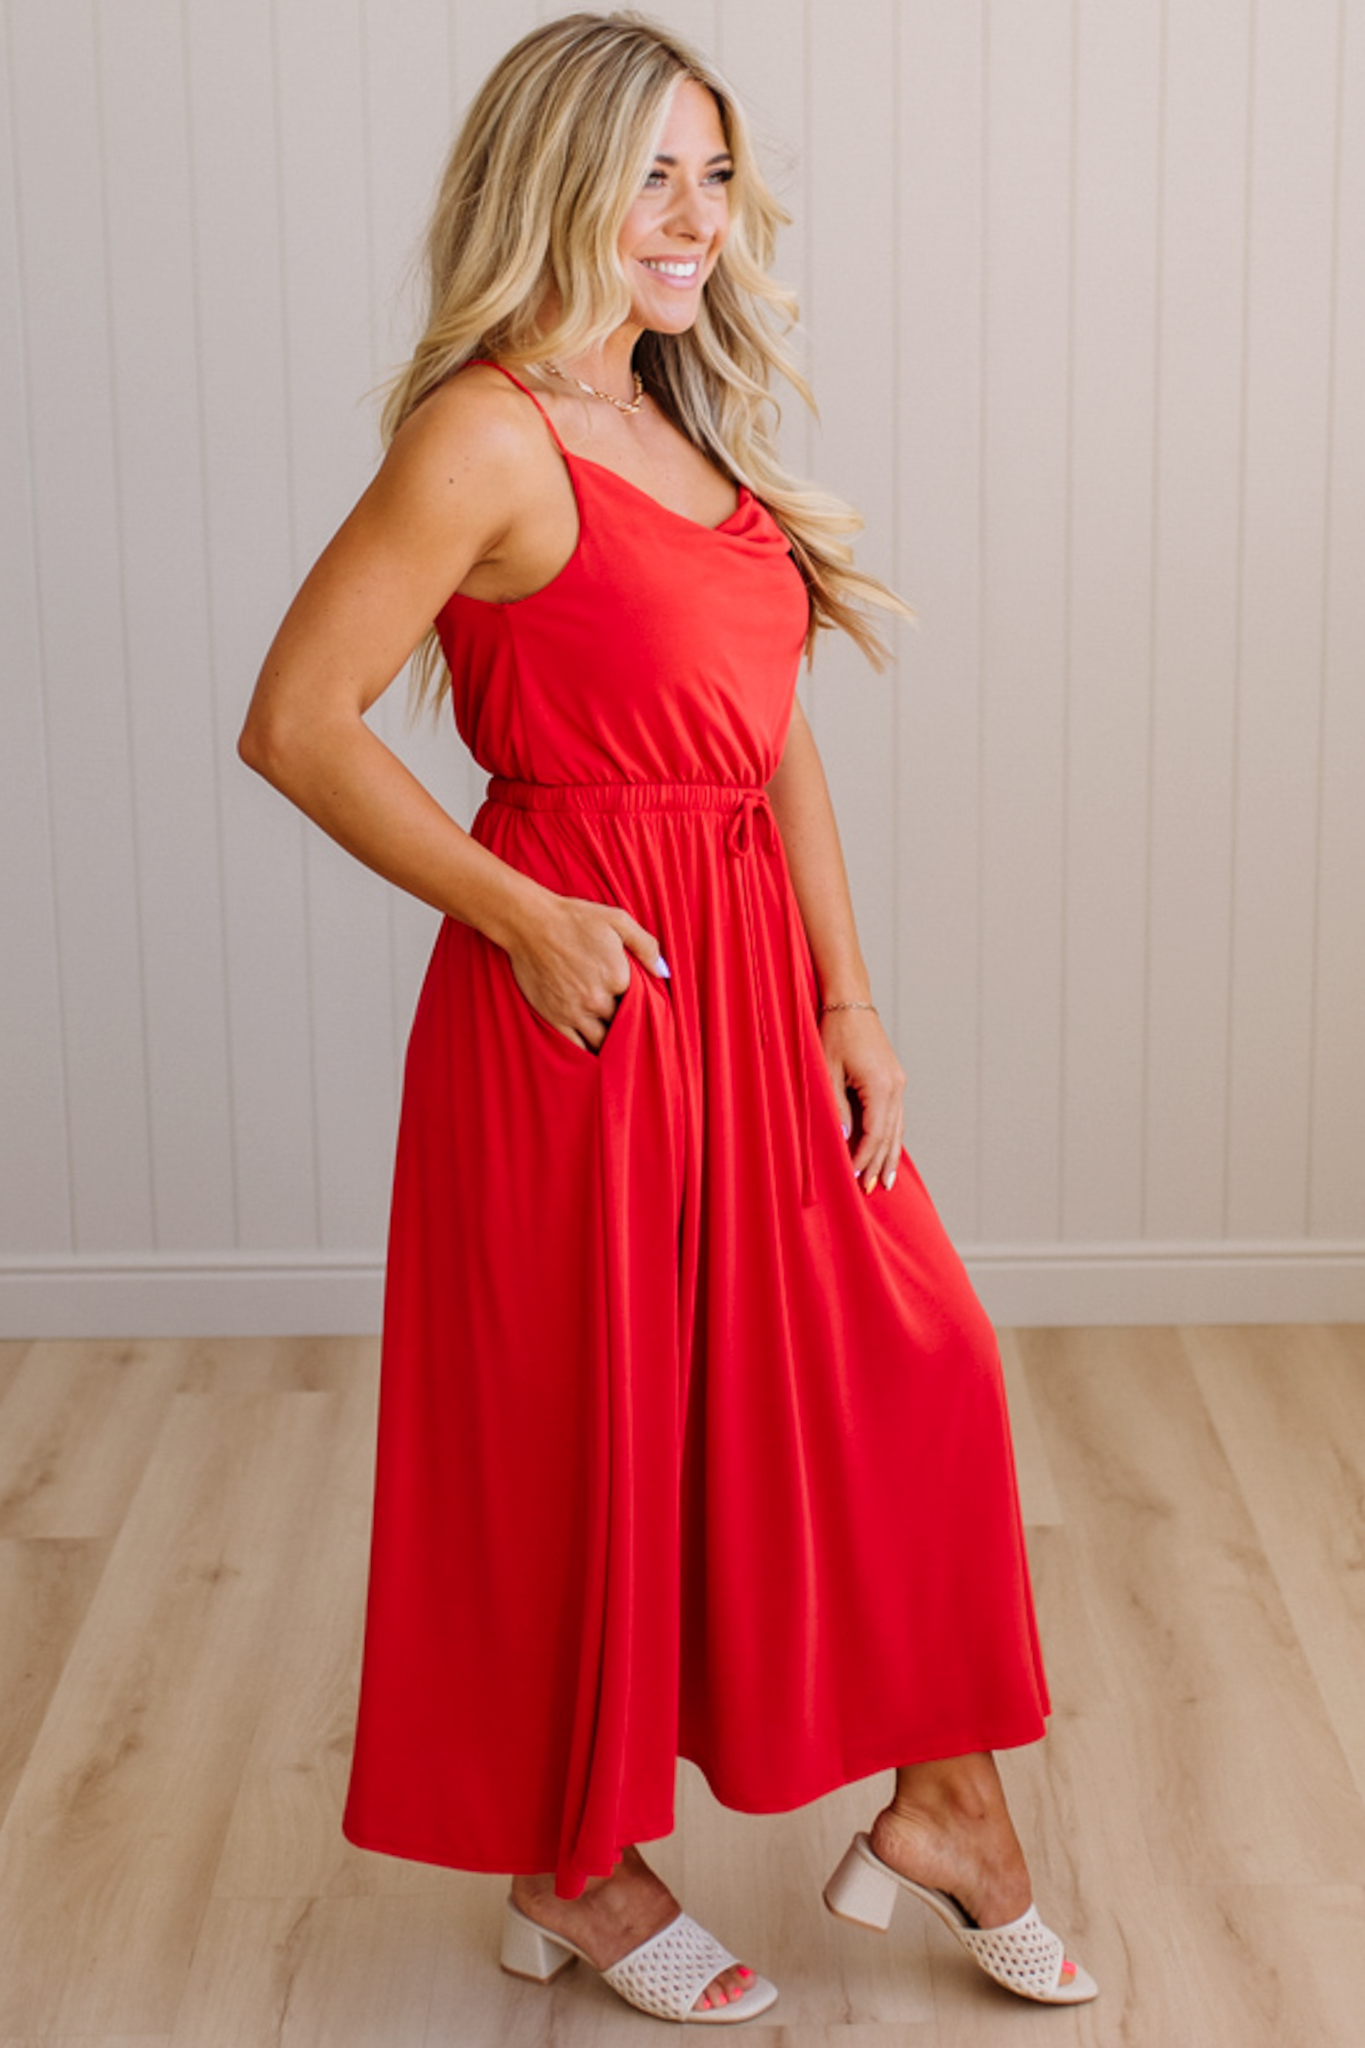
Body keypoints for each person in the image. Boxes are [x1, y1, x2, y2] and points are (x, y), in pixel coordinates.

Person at [239, 9, 1097, 2024]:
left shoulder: (673, 419)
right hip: (586, 1000)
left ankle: (949, 1800)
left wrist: (850, 997)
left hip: (752, 985)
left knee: (908, 1362)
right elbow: (296, 721)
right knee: (589, 1434)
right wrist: (523, 916)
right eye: (654, 176)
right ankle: (577, 1869)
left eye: (714, 175)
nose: (696, 218)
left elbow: (772, 734)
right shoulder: (484, 436)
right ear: (556, 184)